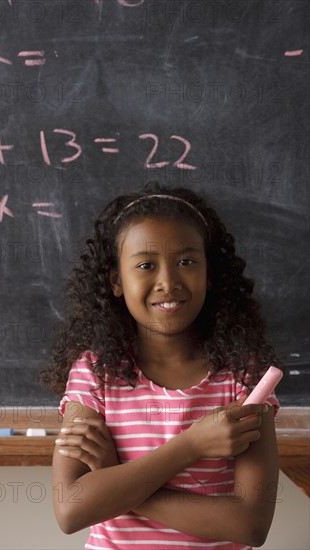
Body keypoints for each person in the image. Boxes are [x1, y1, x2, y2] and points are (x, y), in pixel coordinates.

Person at [40, 181, 283, 550]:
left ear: (210, 274)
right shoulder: (94, 374)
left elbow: (250, 525)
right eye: (146, 265)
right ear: (116, 281)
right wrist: (192, 445)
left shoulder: (242, 376)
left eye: (186, 261)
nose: (168, 282)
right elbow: (71, 511)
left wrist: (113, 481)